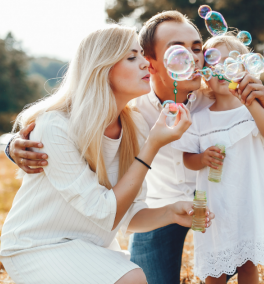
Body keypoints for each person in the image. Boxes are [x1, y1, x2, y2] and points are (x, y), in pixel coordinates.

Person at [5, 11, 264, 284]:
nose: (194, 58)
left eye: (198, 49)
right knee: (139, 279)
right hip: (155, 212)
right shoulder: (134, 109)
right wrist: (12, 146)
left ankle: (225, 266)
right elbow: (55, 122)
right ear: (151, 62)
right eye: (178, 50)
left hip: (213, 205)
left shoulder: (220, 95)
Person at [0, 24, 215, 284]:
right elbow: (103, 212)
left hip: (89, 245)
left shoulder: (134, 126)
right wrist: (153, 146)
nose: (145, 64)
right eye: (132, 57)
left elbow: (130, 214)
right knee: (132, 278)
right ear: (102, 67)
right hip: (37, 244)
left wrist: (170, 212)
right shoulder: (56, 126)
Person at [171, 33, 264, 283]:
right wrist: (203, 158)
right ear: (205, 74)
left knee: (248, 266)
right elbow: (187, 159)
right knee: (214, 273)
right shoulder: (199, 116)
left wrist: (253, 105)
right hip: (214, 206)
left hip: (248, 202)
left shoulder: (252, 111)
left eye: (230, 62)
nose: (221, 69)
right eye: (213, 63)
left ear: (245, 70)